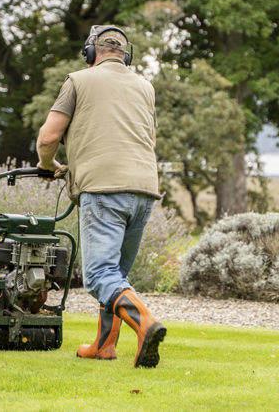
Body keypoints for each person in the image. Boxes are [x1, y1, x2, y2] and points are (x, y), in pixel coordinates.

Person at [36, 25, 166, 368]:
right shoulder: (145, 87)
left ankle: (146, 323)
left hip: (104, 190)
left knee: (98, 276)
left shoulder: (78, 81)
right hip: (144, 190)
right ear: (126, 55)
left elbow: (49, 136)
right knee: (116, 275)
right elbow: (149, 141)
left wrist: (47, 165)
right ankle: (104, 345)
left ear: (91, 52)